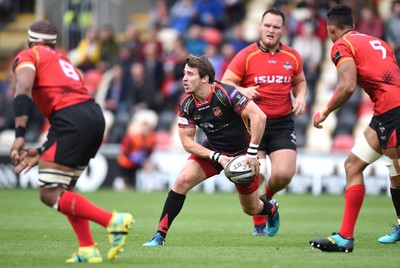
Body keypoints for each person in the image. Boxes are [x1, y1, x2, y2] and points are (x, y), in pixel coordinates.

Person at [9, 20, 133, 263]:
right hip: (92, 115)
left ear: (30, 41)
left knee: (49, 193)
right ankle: (88, 248)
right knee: (66, 189)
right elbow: (70, 106)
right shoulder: (65, 61)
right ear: (54, 44)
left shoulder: (29, 55)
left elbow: (23, 88)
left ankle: (113, 221)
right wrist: (43, 149)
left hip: (70, 118)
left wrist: (19, 136)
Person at [142, 54, 279, 246]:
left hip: (242, 154)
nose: (184, 78)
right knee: (182, 180)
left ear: (205, 78)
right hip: (213, 151)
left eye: (190, 74)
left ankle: (271, 209)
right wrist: (218, 157)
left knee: (251, 208)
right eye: (184, 74)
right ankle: (159, 235)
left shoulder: (226, 93)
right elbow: (187, 142)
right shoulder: (186, 104)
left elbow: (259, 117)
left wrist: (252, 154)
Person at [309, 4, 400, 252]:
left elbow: (347, 87)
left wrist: (325, 111)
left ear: (332, 29)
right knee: (354, 165)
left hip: (394, 112)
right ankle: (345, 237)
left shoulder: (342, 45)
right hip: (385, 112)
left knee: (398, 173)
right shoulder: (377, 41)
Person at [221, 8, 307, 237]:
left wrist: (300, 97)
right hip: (253, 124)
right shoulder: (246, 55)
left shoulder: (292, 56)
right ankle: (260, 219)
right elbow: (225, 84)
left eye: (276, 27)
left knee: (284, 175)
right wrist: (243, 90)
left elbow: (300, 82)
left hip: (282, 124)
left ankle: (266, 202)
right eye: (267, 25)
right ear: (260, 27)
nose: (271, 30)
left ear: (283, 30)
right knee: (255, 174)